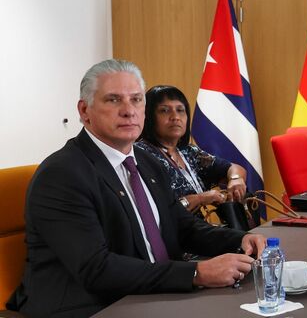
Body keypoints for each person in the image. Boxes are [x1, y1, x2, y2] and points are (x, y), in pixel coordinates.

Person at [7, 59, 266, 317]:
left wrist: (238, 240)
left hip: (152, 294)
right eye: (113, 100)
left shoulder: (147, 162)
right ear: (84, 111)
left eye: (136, 100)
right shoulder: (62, 174)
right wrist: (197, 273)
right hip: (91, 306)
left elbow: (183, 227)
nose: (128, 110)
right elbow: (96, 269)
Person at [136, 85, 246, 212]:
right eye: (164, 110)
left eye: (180, 110)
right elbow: (157, 210)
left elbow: (233, 168)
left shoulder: (188, 151)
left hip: (198, 224)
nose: (175, 117)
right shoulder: (140, 154)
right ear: (148, 117)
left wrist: (235, 179)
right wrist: (200, 199)